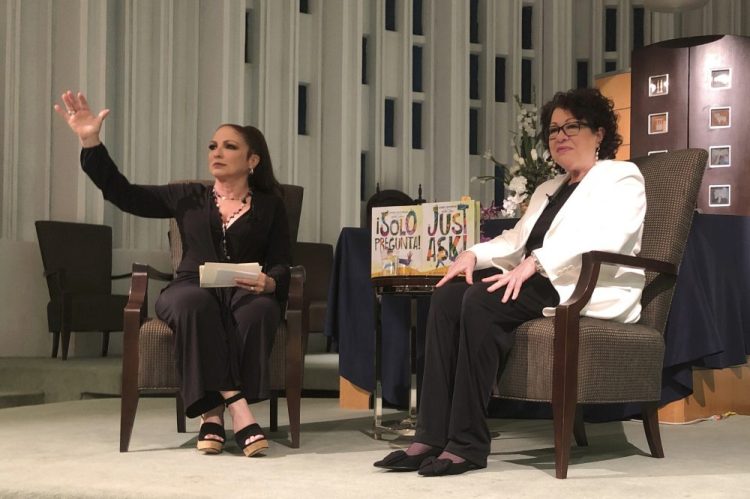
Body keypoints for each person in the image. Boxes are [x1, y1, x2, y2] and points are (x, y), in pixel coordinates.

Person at [374, 87, 646, 476]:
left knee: (481, 301)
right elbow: (514, 240)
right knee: (449, 296)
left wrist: (537, 263)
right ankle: (431, 434)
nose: (561, 136)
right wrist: (472, 253)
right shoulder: (548, 190)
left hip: (582, 284)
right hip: (538, 278)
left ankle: (467, 443)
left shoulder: (621, 177)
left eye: (572, 126)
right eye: (553, 131)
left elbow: (606, 236)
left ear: (599, 134)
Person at [54, 91, 291, 458]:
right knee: (195, 305)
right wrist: (90, 140)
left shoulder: (272, 206)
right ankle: (238, 408)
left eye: (229, 146)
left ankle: (210, 417)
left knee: (259, 311)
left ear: (252, 160)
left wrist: (270, 282)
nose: (216, 152)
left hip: (246, 289)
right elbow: (125, 194)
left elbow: (281, 260)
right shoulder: (187, 195)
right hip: (190, 286)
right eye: (213, 145)